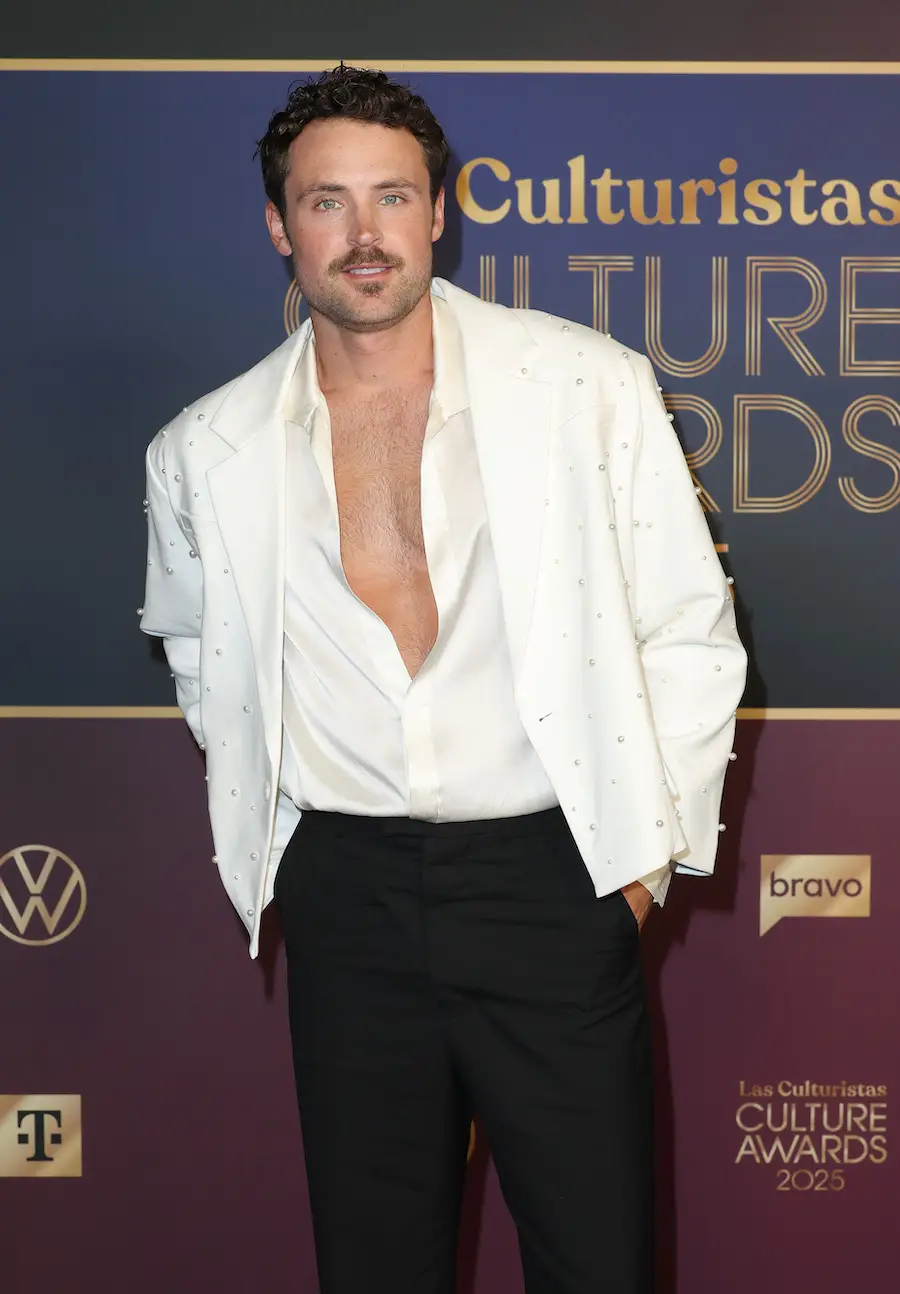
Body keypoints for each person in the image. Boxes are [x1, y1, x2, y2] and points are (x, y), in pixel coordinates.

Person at [140, 65, 746, 1294]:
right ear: (280, 226)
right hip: (347, 893)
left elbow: (689, 626)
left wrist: (636, 874)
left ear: (438, 212)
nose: (363, 234)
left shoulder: (583, 385)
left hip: (552, 878)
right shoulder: (203, 448)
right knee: (376, 1263)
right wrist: (297, 834)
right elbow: (201, 651)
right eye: (326, 202)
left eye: (391, 197)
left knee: (599, 1260)